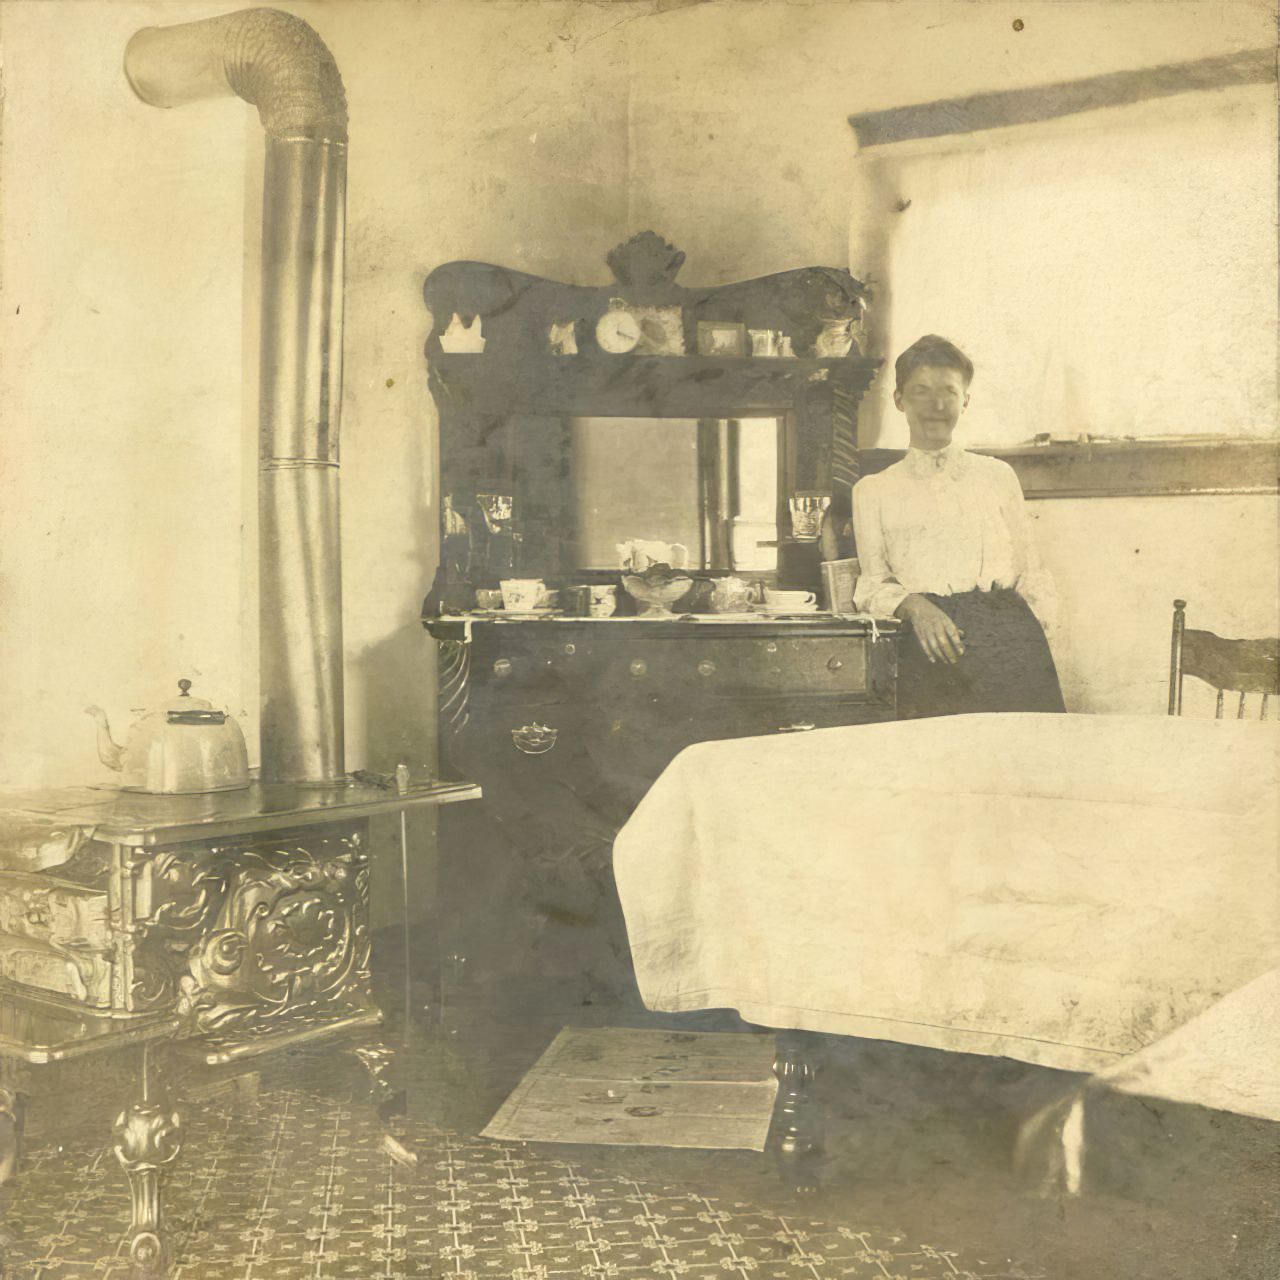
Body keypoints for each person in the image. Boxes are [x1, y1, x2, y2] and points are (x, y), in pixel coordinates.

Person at [852, 335, 1065, 719]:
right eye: (920, 391)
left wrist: (1027, 642)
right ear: (899, 400)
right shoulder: (873, 491)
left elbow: (1030, 570)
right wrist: (914, 606)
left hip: (1009, 641)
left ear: (965, 400)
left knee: (1022, 762)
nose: (936, 405)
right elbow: (871, 585)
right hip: (931, 645)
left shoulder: (998, 476)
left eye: (949, 391)